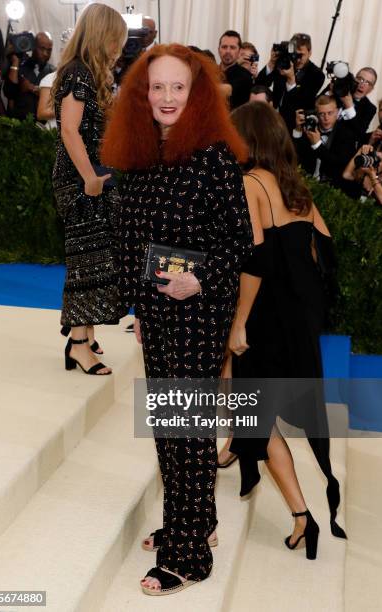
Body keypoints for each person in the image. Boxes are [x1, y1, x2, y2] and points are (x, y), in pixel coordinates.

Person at [101, 43, 252, 595]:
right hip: (158, 310)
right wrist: (139, 307)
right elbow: (133, 240)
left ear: (197, 94)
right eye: (156, 87)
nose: (166, 97)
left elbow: (240, 241)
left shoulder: (213, 156)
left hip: (200, 309)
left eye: (178, 87)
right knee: (167, 424)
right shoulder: (139, 153)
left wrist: (200, 279)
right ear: (143, 94)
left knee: (185, 430)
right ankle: (194, 522)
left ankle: (188, 555)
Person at [218, 102, 346, 559]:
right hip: (299, 315)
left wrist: (238, 324)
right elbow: (326, 249)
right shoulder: (296, 188)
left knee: (255, 412)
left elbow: (255, 262)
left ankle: (300, 515)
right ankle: (234, 445)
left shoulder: (251, 182)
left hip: (266, 315)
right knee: (245, 395)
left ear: (248, 140)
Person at [50, 3, 127, 375]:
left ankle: (84, 333)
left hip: (94, 175)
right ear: (103, 36)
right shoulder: (78, 74)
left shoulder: (88, 74)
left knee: (97, 258)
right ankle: (79, 344)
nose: (119, 48)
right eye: (117, 40)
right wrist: (90, 179)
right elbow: (68, 130)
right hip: (82, 180)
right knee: (88, 261)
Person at [257, 33, 325, 131]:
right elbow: (259, 86)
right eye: (295, 54)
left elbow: (303, 103)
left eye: (301, 55)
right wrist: (271, 63)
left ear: (310, 53)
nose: (297, 59)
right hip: (273, 119)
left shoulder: (316, 75)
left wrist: (291, 79)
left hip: (294, 125)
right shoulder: (284, 62)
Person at [293, 94, 358, 194]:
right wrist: (298, 129)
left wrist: (317, 145)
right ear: (316, 114)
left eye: (330, 113)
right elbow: (295, 155)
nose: (326, 118)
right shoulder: (311, 128)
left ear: (337, 112)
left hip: (332, 190)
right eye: (322, 114)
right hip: (306, 185)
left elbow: (338, 164)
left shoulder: (346, 134)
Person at [4, 32, 55, 120]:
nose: (45, 53)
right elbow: (9, 93)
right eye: (42, 48)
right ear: (33, 46)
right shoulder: (19, 66)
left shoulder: (53, 73)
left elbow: (57, 99)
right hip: (19, 125)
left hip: (42, 127)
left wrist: (32, 88)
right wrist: (15, 62)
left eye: (49, 50)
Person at [218, 30, 252, 109]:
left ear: (239, 52)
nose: (228, 51)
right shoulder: (211, 71)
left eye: (232, 48)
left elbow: (225, 90)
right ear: (218, 49)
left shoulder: (245, 76)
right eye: (224, 47)